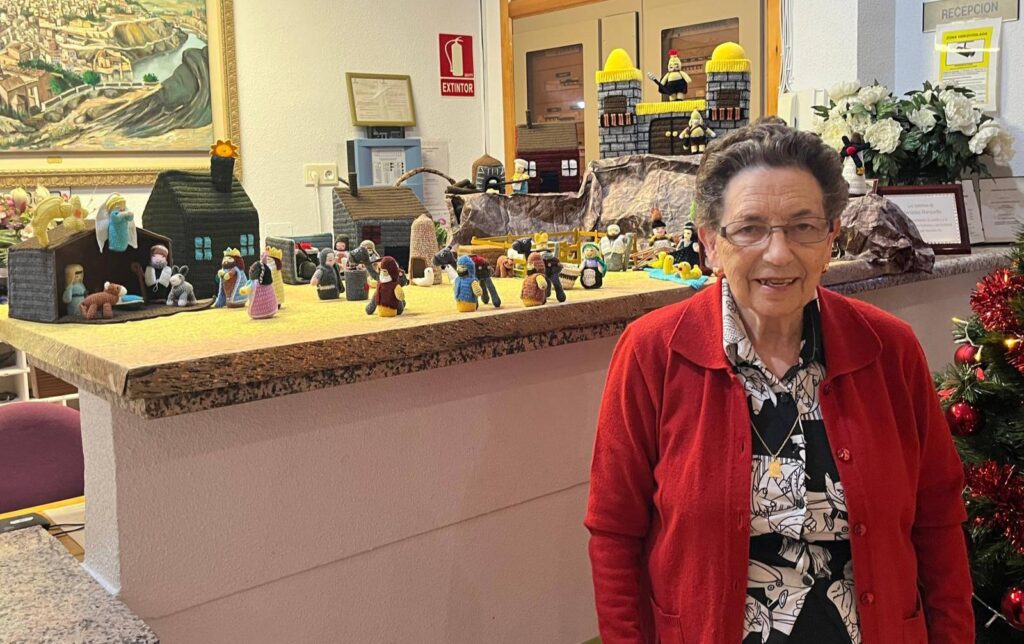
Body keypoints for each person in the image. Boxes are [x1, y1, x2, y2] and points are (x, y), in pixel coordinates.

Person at [585, 118, 972, 644]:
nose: (779, 253)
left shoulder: (889, 349)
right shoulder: (652, 352)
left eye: (803, 226)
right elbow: (614, 532)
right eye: (750, 228)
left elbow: (938, 521)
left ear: (831, 238)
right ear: (710, 244)